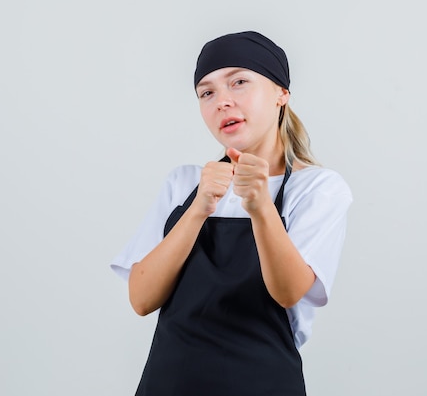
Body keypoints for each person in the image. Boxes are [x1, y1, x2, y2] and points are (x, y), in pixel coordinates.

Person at [111, 31, 353, 395]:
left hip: (263, 385)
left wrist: (260, 208)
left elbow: (289, 292)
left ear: (280, 94)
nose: (222, 101)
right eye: (207, 92)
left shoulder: (318, 189)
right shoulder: (185, 183)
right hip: (169, 385)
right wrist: (198, 209)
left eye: (239, 82)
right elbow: (142, 298)